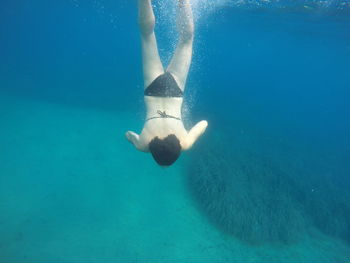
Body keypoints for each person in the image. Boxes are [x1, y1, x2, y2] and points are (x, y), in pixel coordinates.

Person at [126, 0, 208, 166]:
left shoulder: (184, 142)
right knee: (147, 35)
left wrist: (187, 144)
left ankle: (182, 2)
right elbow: (128, 134)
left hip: (175, 90)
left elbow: (204, 123)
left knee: (186, 38)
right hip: (152, 90)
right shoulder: (143, 144)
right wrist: (141, 144)